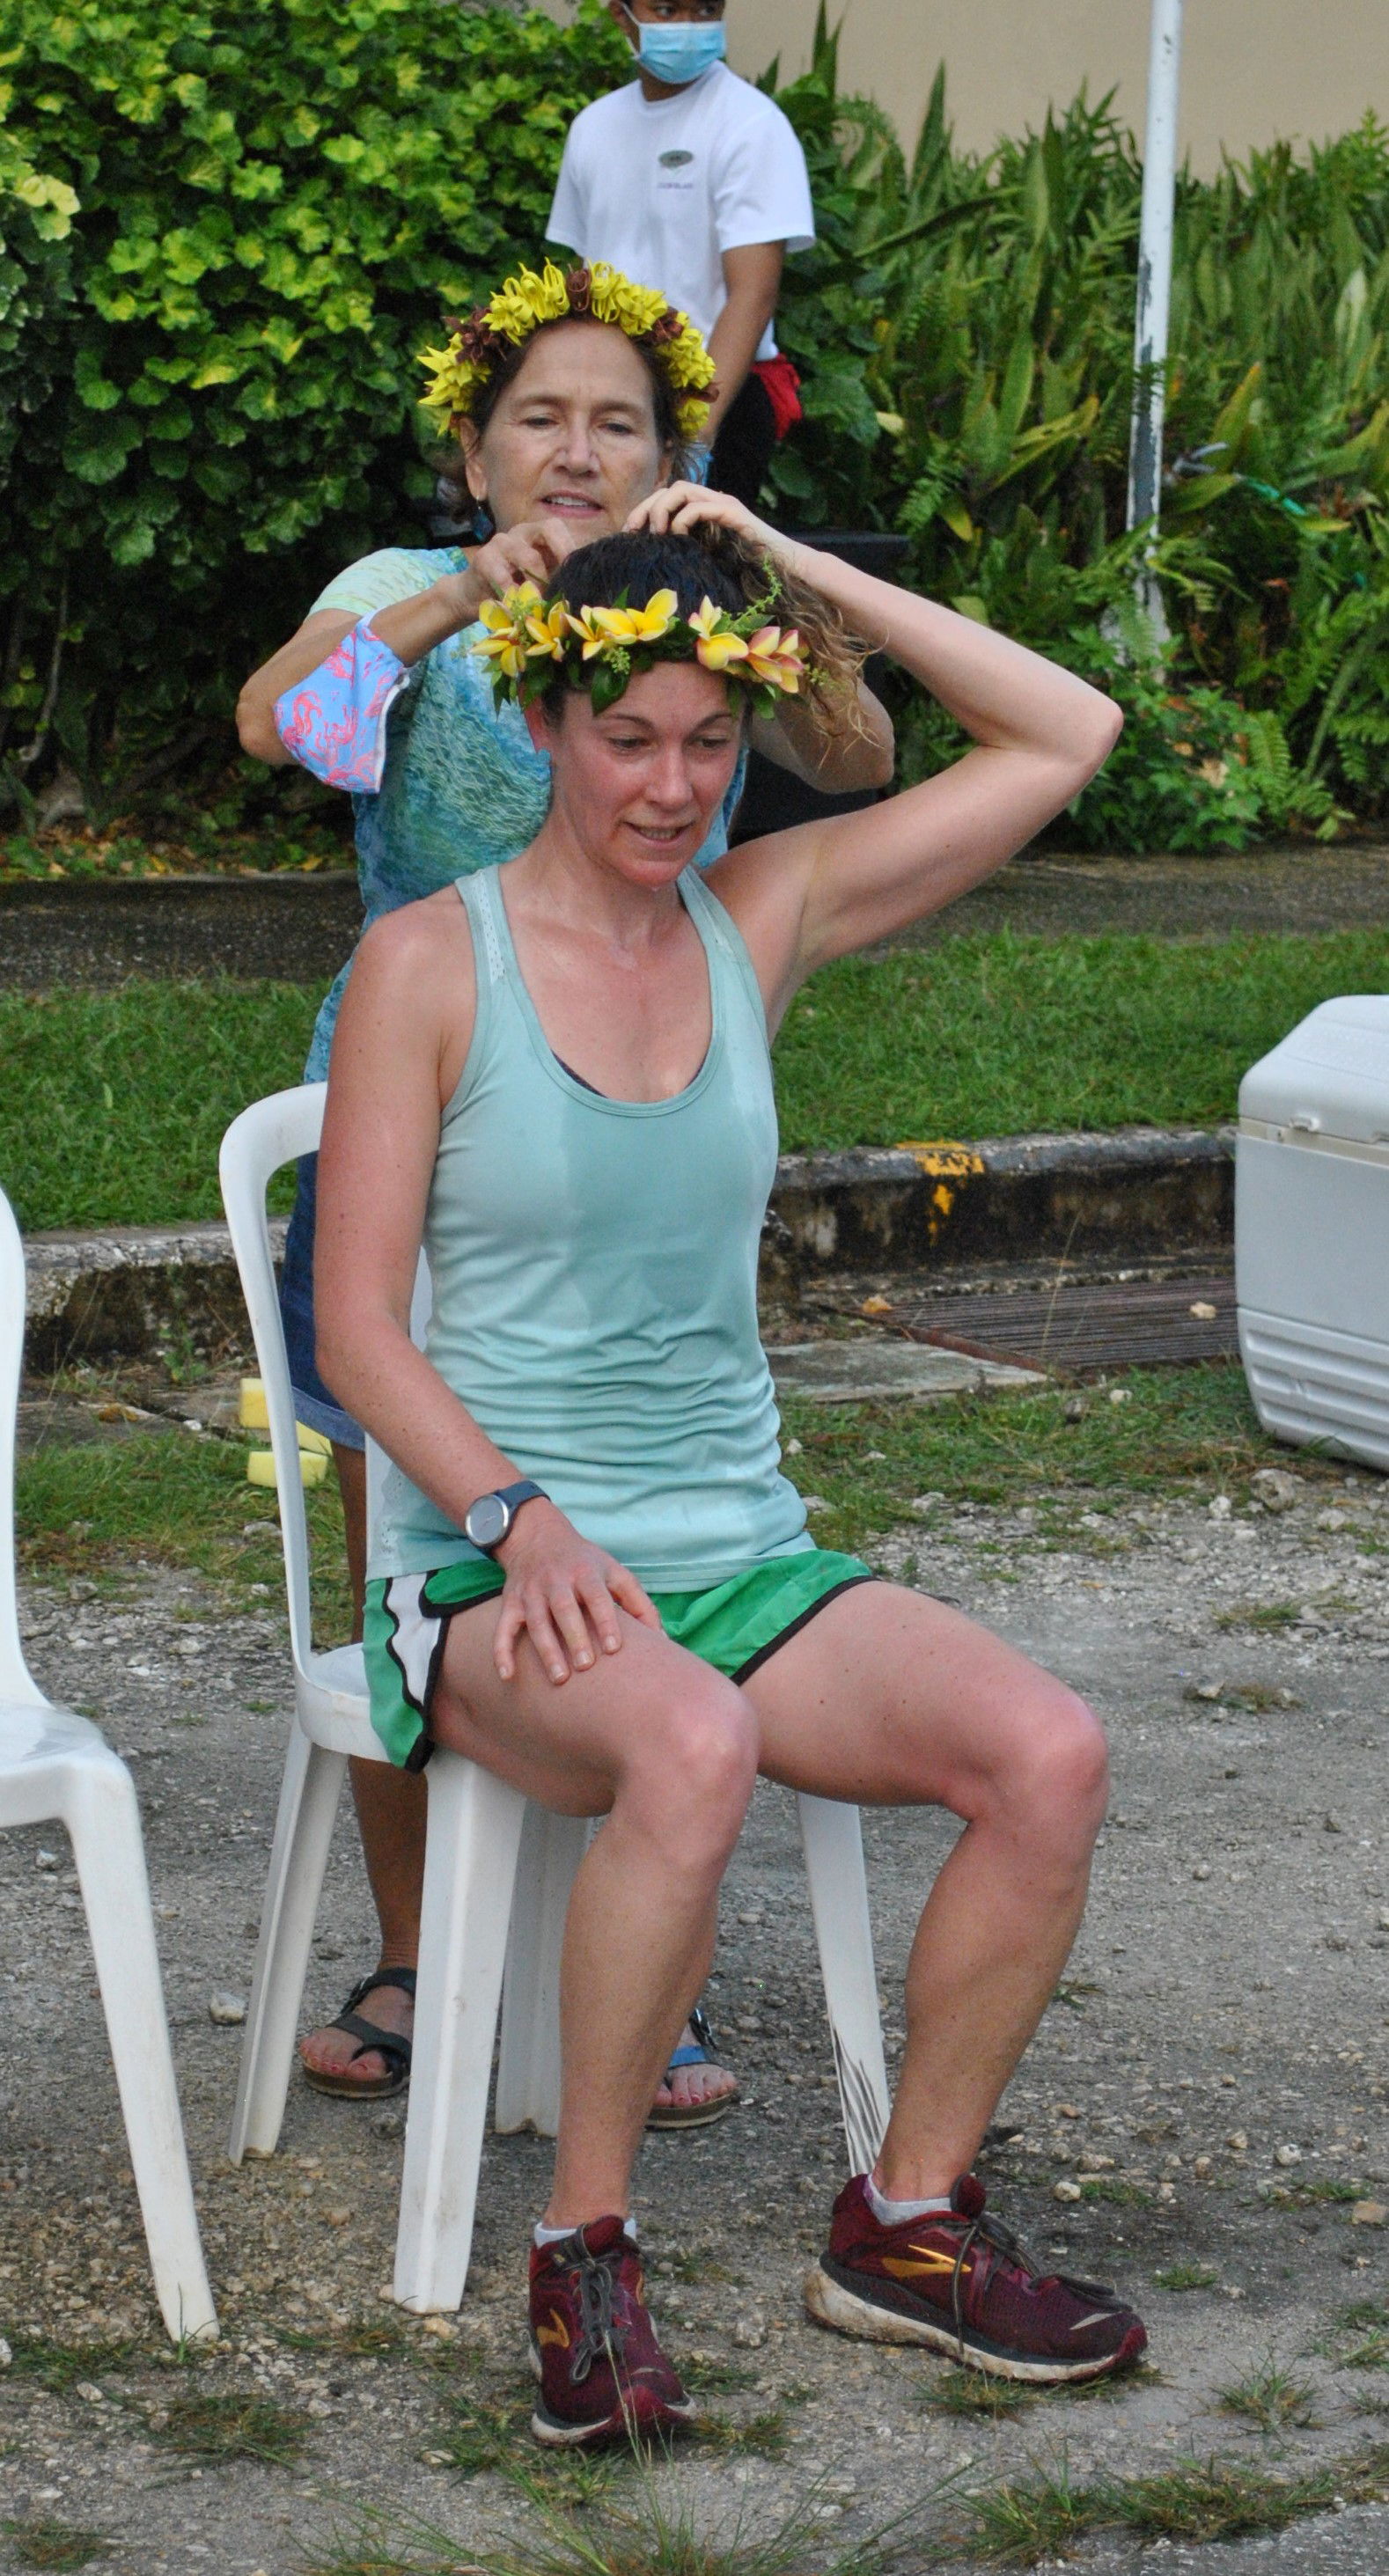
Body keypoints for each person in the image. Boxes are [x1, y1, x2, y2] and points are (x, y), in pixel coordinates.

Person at [310, 485, 1146, 2448]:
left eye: (712, 738)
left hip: (734, 1546)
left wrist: (810, 578)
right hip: (489, 1558)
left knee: (1051, 1752)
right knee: (684, 1738)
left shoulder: (759, 916)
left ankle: (905, 2220)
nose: (676, 786)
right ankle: (584, 2247)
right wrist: (517, 1520)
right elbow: (357, 1330)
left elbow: (1068, 733)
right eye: (631, 738)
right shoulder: (432, 968)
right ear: (543, 728)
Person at [235, 261, 893, 2122]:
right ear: (474, 443)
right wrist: (461, 596)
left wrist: (763, 596)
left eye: (622, 421)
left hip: (619, 1096)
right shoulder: (399, 595)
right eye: (543, 416)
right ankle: (423, 1938)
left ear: (670, 450)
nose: (581, 450)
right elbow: (281, 733)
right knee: (404, 1519)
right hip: (414, 1080)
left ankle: (641, 1946)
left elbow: (853, 762)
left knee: (649, 1521)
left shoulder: (694, 610)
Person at [547, 0, 812, 507]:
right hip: (609, 397)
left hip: (718, 398)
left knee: (694, 579)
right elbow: (583, 278)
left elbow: (753, 294)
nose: (688, 28)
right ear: (621, 16)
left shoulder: (752, 124)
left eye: (706, 9)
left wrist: (693, 438)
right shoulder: (593, 127)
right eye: (667, 10)